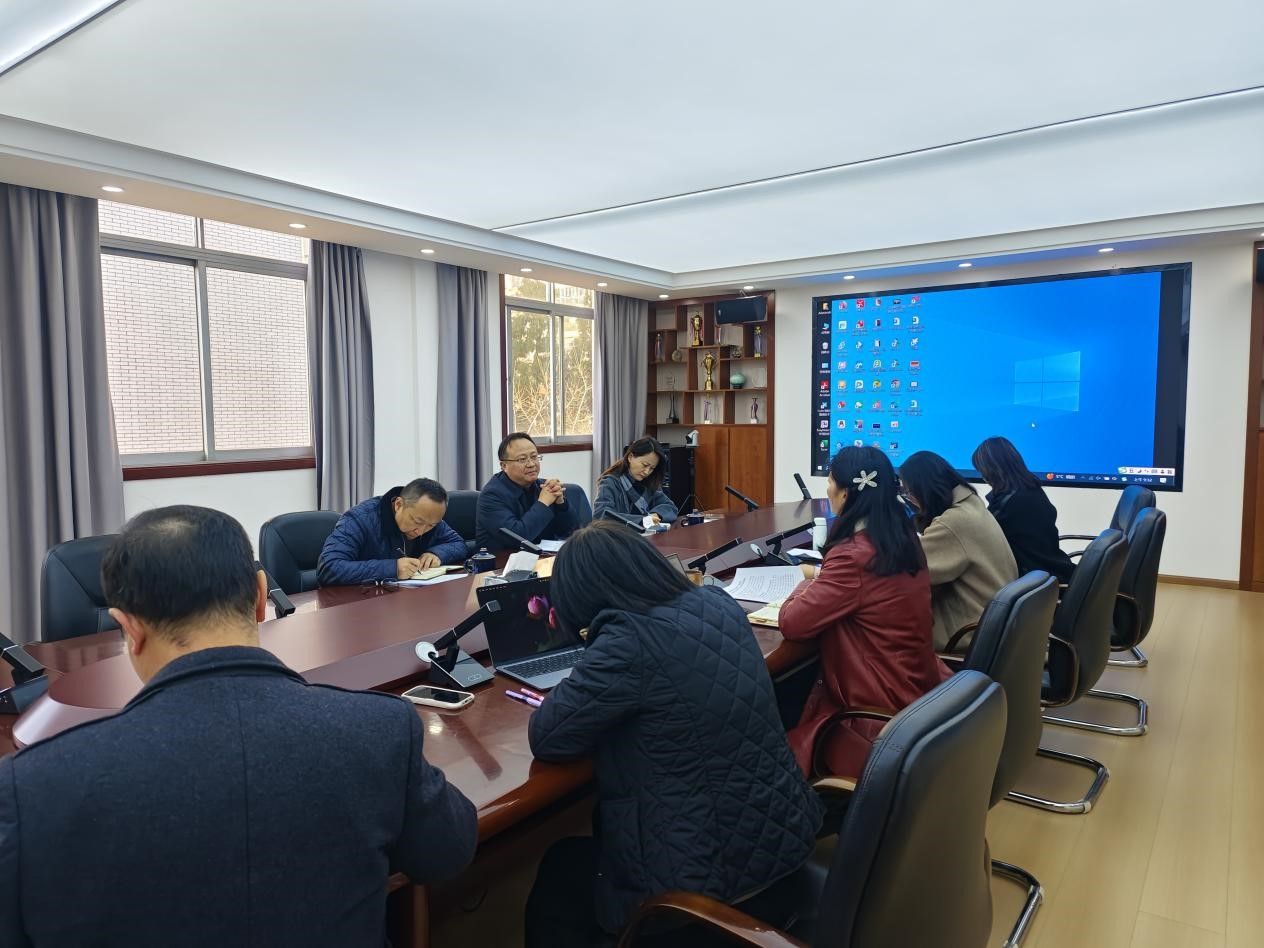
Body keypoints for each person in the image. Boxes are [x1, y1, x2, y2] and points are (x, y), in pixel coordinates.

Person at [0, 506, 477, 948]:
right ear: (260, 597)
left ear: (128, 627)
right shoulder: (380, 729)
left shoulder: (34, 786)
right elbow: (447, 852)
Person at [524, 522, 821, 947]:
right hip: (782, 846)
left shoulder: (627, 641)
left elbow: (548, 735)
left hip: (699, 890)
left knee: (560, 867)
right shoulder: (717, 602)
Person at [778, 446, 951, 779]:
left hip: (875, 711)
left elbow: (792, 622)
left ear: (845, 492)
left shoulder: (853, 555)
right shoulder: (902, 538)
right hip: (915, 688)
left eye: (830, 480)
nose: (827, 488)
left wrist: (807, 581)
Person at [898, 450, 1019, 652]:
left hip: (967, 636)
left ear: (924, 490)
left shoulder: (953, 523)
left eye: (909, 493)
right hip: (994, 627)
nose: (910, 499)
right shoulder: (972, 505)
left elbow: (906, 573)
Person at [318, 477, 467, 585]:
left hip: (410, 599)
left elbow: (459, 544)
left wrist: (437, 554)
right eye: (417, 522)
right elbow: (329, 568)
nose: (421, 531)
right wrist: (393, 568)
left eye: (431, 526)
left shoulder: (428, 517)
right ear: (398, 505)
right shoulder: (359, 519)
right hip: (361, 604)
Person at [972, 436, 1075, 583]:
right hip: (1056, 570)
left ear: (992, 470)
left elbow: (981, 537)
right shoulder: (1032, 489)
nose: (983, 476)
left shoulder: (1008, 503)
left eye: (982, 471)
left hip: (1033, 583)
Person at [476, 432, 580, 551]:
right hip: (501, 560)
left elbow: (571, 532)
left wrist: (561, 503)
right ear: (504, 466)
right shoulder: (491, 495)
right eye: (522, 459)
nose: (531, 464)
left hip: (544, 558)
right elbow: (518, 538)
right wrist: (543, 503)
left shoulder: (543, 487)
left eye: (534, 457)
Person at [592, 436, 678, 525]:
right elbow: (602, 516)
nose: (647, 472)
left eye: (652, 468)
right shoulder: (609, 482)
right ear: (630, 457)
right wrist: (643, 520)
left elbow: (671, 507)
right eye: (645, 465)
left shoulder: (649, 482)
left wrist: (656, 514)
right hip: (618, 533)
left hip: (644, 533)